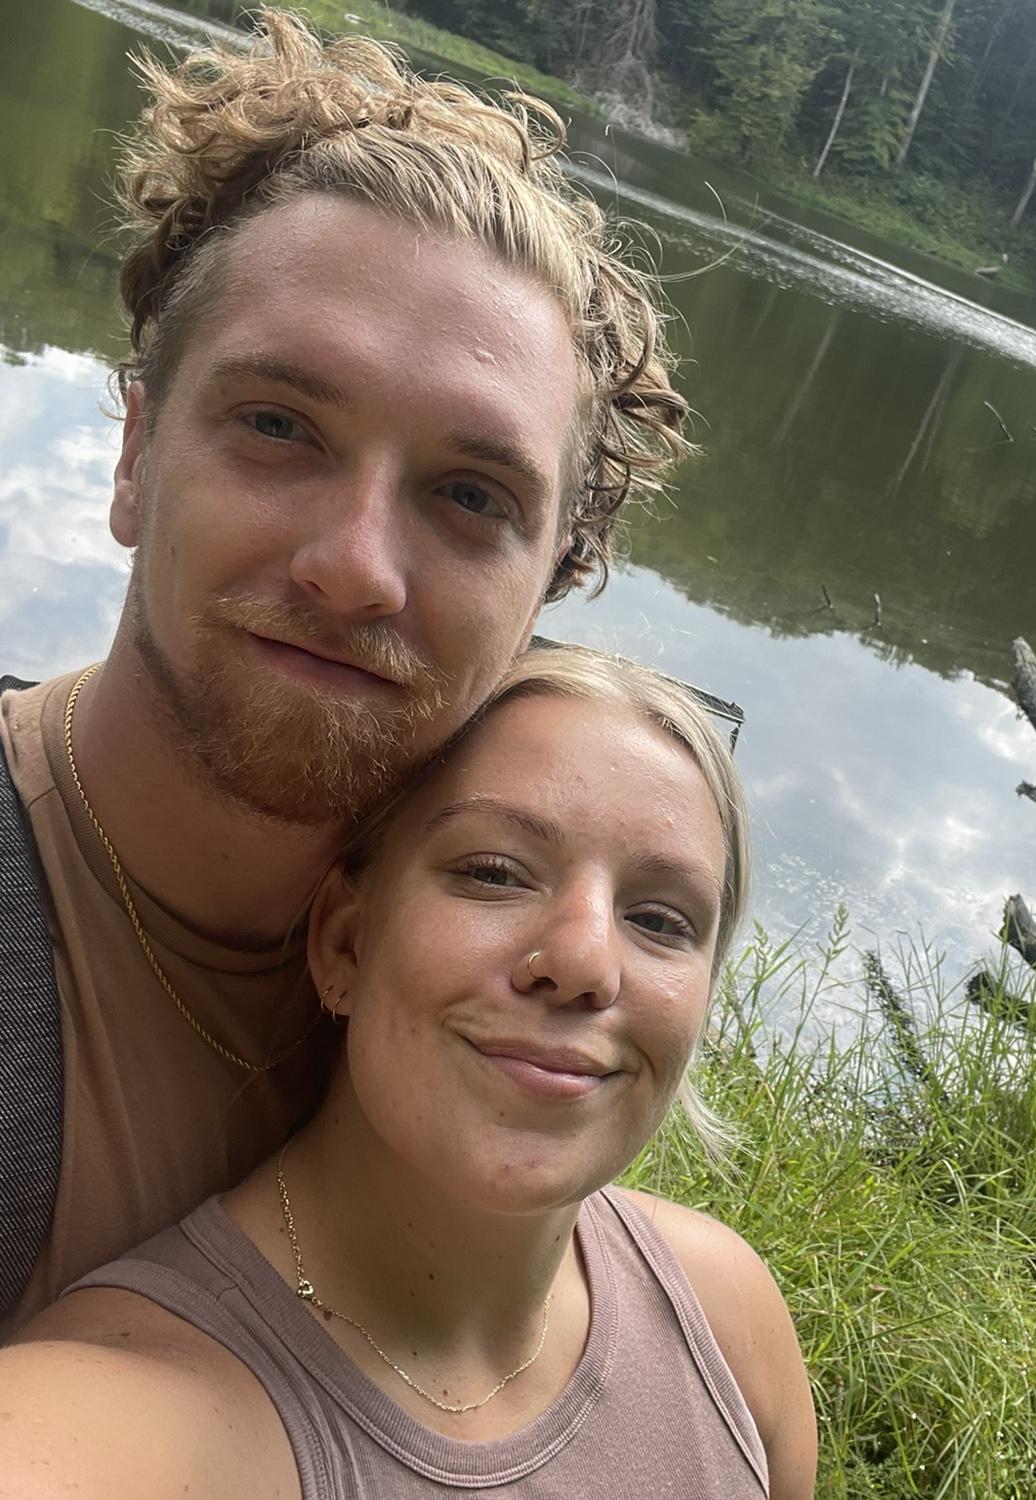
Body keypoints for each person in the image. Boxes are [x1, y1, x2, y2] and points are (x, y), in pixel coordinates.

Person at [0, 9, 689, 1336]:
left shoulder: (502, 1004)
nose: (357, 568)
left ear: (547, 588)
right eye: (278, 425)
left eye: (471, 495)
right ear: (136, 455)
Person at [0, 645, 816, 1498]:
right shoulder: (102, 1426)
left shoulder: (723, 1315)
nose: (584, 961)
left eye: (659, 920)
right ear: (346, 942)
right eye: (494, 873)